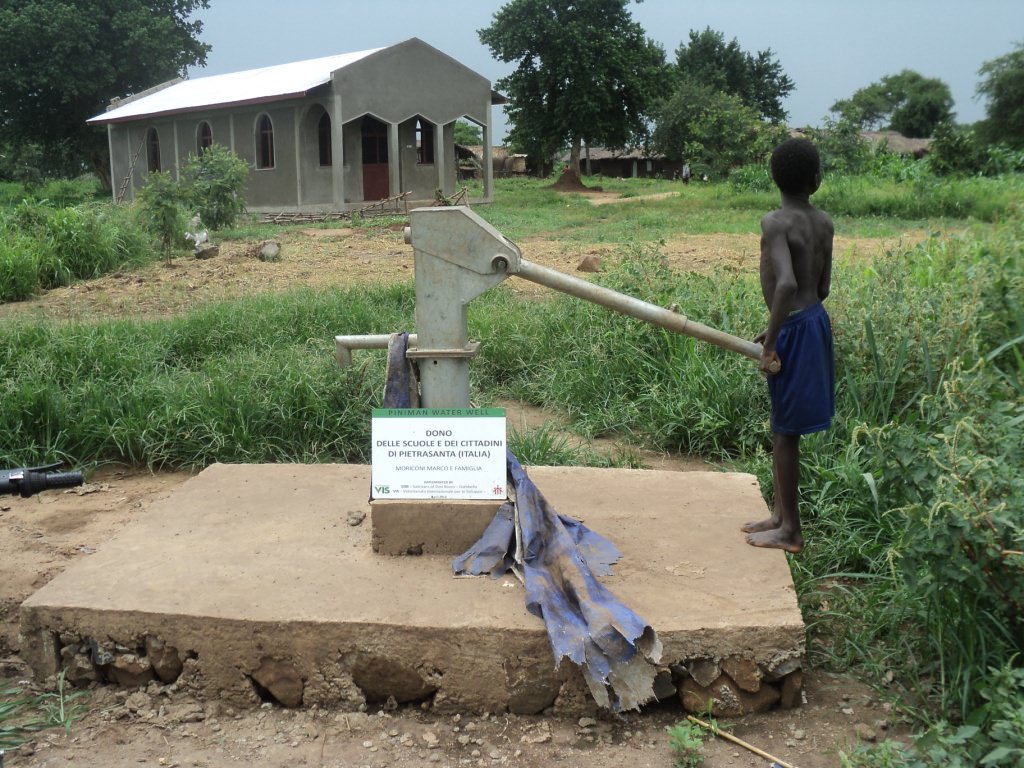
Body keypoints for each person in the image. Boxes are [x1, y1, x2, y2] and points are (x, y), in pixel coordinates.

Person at [743, 138, 835, 554]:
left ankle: (790, 531)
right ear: (816, 181)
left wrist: (772, 343)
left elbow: (786, 284)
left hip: (794, 331)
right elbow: (822, 288)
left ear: (773, 177)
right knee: (785, 425)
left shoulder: (775, 223)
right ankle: (780, 516)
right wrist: (778, 330)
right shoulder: (824, 224)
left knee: (784, 433)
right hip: (814, 323)